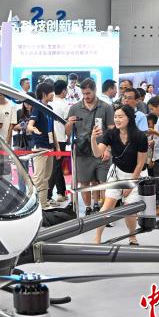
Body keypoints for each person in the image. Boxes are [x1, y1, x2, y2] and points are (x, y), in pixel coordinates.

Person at [91, 105, 149, 245]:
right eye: (115, 116)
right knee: (107, 207)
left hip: (136, 175)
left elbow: (140, 163)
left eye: (120, 116)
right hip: (117, 174)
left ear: (129, 118)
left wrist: (130, 185)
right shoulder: (111, 134)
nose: (117, 119)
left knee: (130, 210)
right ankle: (97, 237)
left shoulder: (140, 136)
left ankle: (132, 235)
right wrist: (93, 139)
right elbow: (97, 153)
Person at [65, 78, 114, 215]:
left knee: (104, 183)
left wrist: (109, 149)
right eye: (84, 93)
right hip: (83, 152)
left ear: (95, 90)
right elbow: (68, 133)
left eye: (88, 93)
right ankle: (88, 208)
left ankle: (104, 211)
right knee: (84, 183)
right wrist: (69, 124)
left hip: (102, 150)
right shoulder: (74, 108)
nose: (86, 96)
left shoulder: (106, 107)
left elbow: (112, 130)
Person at [27, 82, 60, 207]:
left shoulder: (49, 109)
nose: (53, 94)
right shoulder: (38, 107)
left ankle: (43, 204)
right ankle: (30, 203)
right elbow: (30, 125)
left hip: (49, 147)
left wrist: (57, 147)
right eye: (51, 92)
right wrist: (33, 129)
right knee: (38, 177)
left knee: (46, 177)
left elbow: (52, 129)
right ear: (44, 94)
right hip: (40, 147)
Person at [48, 80, 68, 202]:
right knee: (55, 167)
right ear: (64, 91)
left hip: (50, 139)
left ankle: (61, 192)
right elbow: (68, 124)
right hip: (60, 139)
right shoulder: (64, 105)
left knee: (56, 167)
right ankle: (48, 194)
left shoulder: (49, 103)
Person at [0, 92, 17, 174]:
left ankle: (7, 181)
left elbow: (11, 126)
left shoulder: (12, 106)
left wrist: (7, 141)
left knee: (5, 165)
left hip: (5, 141)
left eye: (1, 91)